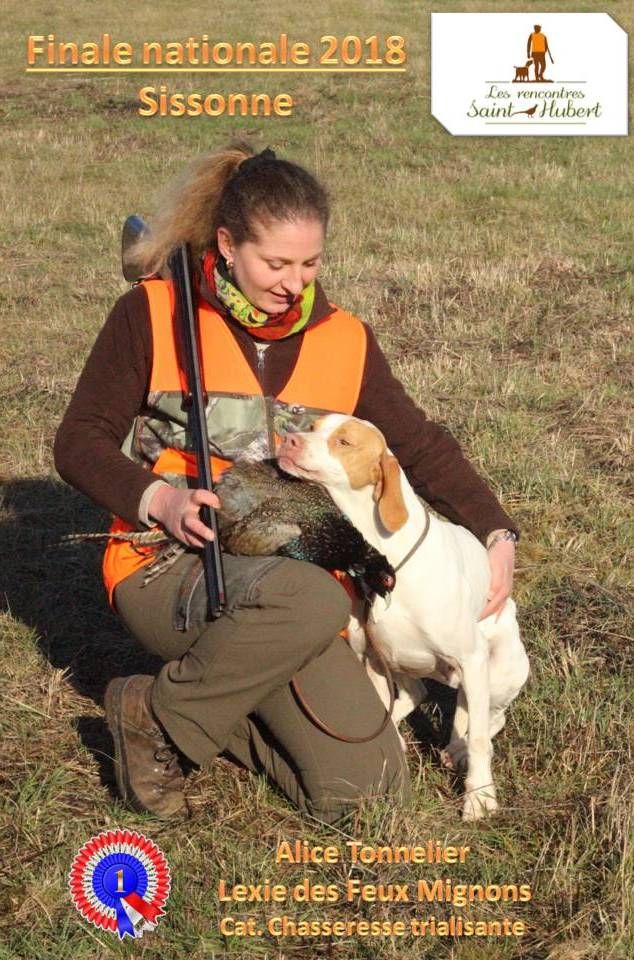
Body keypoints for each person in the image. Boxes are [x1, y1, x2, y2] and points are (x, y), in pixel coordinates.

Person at [54, 141, 519, 824]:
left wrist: (494, 530)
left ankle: (167, 705)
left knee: (368, 794)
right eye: (274, 263)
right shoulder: (153, 314)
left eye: (310, 263)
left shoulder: (345, 340)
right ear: (227, 244)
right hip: (172, 566)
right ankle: (165, 720)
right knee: (310, 600)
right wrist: (160, 498)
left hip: (302, 596)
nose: (293, 282)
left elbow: (418, 445)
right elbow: (78, 442)